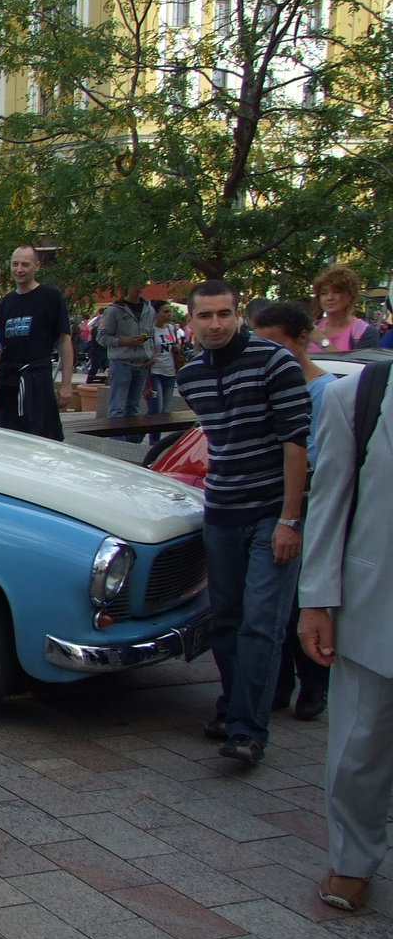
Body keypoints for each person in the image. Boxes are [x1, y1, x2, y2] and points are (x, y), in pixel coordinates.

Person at [177, 280, 313, 765]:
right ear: (190, 322)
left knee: (262, 623)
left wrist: (290, 520)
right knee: (228, 620)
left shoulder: (274, 363)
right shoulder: (189, 376)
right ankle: (235, 708)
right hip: (222, 511)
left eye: (225, 314)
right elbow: (219, 439)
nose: (215, 324)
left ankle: (247, 730)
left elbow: (295, 443)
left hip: (269, 511)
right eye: (205, 316)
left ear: (238, 316)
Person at [299, 358, 393, 910]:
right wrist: (317, 600)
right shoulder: (358, 397)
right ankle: (352, 859)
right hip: (374, 603)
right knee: (360, 746)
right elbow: (329, 502)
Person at [252, 301, 334, 722]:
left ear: (302, 340)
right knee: (274, 600)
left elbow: (320, 458)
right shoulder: (264, 383)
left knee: (306, 597)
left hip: (310, 503)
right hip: (272, 500)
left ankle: (315, 684)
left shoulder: (327, 392)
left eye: (274, 345)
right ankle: (279, 684)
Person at [0, 246, 74, 440]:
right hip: (9, 383)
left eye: (25, 264)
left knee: (40, 438)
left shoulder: (50, 297)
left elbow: (65, 340)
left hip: (36, 382)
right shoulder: (7, 301)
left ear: (37, 266)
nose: (19, 269)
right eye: (15, 264)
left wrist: (66, 384)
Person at [95, 283, 157, 440]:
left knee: (134, 406)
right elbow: (102, 337)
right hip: (121, 362)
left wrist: (151, 355)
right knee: (118, 406)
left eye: (141, 284)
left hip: (142, 363)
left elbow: (151, 334)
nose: (138, 288)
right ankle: (115, 443)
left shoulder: (148, 309)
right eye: (135, 284)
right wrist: (124, 341)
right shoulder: (115, 310)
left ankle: (130, 443)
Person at [309, 265, 379, 354]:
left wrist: (323, 342)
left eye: (337, 292)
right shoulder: (311, 329)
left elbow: (356, 367)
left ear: (350, 296)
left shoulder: (364, 332)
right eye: (324, 293)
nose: (329, 298)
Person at [146, 303, 181, 432]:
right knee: (156, 408)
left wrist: (177, 348)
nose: (169, 315)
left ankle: (156, 438)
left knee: (164, 411)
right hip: (155, 371)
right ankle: (148, 437)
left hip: (170, 372)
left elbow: (175, 347)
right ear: (156, 314)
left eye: (170, 312)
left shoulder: (171, 329)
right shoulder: (150, 330)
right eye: (165, 312)